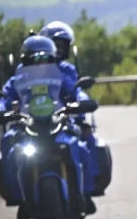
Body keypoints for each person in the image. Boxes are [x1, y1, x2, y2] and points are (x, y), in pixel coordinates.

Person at [0, 35, 97, 219]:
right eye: (34, 59)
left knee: (79, 147)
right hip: (26, 128)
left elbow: (74, 92)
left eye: (45, 58)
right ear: (25, 60)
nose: (40, 63)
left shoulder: (61, 76)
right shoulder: (16, 81)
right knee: (9, 144)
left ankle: (85, 193)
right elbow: (4, 99)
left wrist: (81, 101)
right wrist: (1, 111)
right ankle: (20, 198)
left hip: (58, 124)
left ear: (53, 58)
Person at [38, 21, 100, 185]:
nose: (57, 49)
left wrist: (79, 114)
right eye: (53, 45)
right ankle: (17, 194)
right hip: (33, 123)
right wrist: (4, 108)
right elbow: (12, 93)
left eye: (61, 46)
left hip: (62, 120)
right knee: (10, 142)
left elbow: (73, 91)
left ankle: (87, 189)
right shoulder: (27, 70)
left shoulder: (67, 70)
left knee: (83, 144)